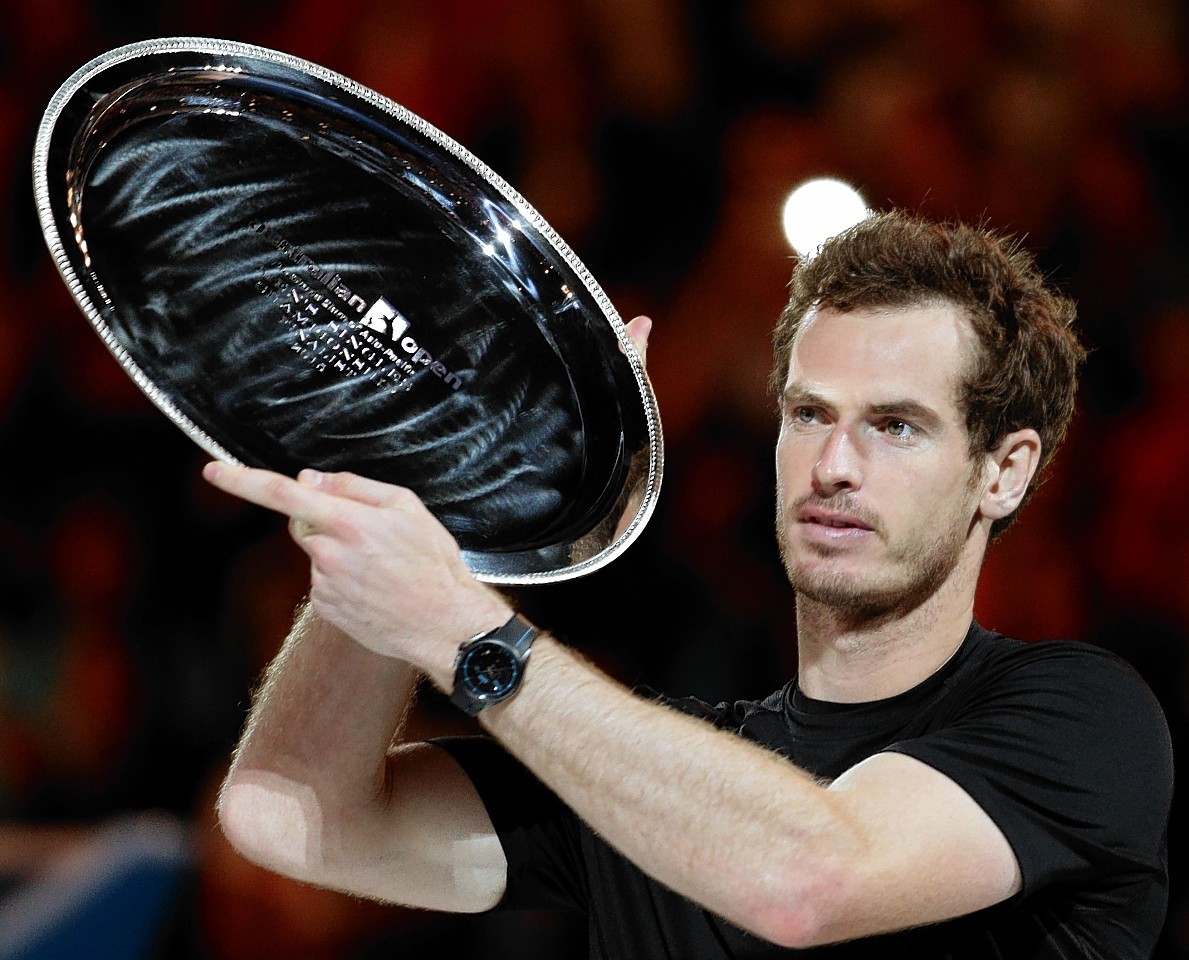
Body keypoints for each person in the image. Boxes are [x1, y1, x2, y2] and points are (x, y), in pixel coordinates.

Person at [204, 209, 1173, 958]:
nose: (833, 464)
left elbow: (807, 878)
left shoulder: (1083, 717)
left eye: (894, 426)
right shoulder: (653, 771)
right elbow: (292, 815)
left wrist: (467, 632)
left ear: (1000, 471)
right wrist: (440, 498)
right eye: (808, 413)